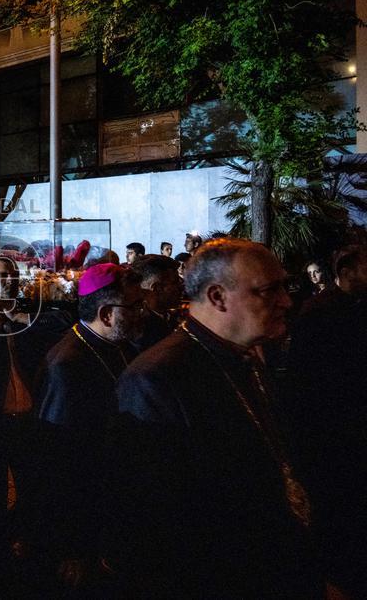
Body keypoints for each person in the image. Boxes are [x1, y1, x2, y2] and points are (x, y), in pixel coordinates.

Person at [113, 238, 320, 597]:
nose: (286, 301)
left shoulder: (245, 355)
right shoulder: (155, 379)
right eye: (269, 290)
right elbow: (154, 524)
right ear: (218, 297)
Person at [35, 263, 145, 591]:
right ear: (107, 314)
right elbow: (59, 462)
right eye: (134, 306)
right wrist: (72, 546)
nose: (141, 313)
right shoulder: (67, 364)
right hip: (83, 515)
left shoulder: (116, 345)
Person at [0, 257, 71, 564]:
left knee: (32, 489)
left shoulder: (27, 311)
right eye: (2, 275)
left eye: (14, 275)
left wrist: (21, 317)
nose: (9, 280)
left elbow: (63, 324)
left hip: (27, 419)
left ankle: (28, 551)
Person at [286, 245, 367, 597]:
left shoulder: (355, 307)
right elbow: (308, 380)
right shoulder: (320, 311)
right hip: (332, 434)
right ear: (346, 272)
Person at [130, 254, 183, 351]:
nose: (181, 287)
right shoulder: (140, 330)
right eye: (175, 282)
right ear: (157, 288)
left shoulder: (170, 317)